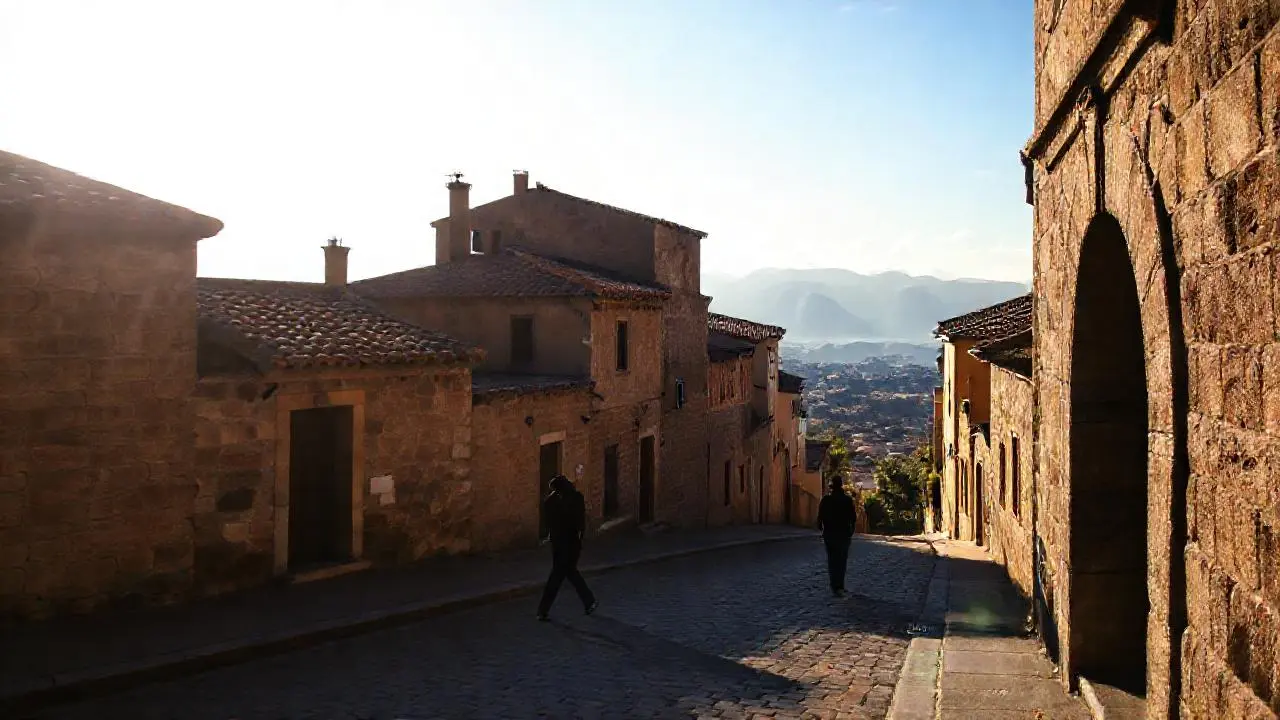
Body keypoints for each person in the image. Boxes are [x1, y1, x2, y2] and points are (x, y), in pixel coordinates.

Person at [536, 474, 599, 620]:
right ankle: (589, 601)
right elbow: (580, 523)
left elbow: (552, 524)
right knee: (568, 573)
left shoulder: (553, 501)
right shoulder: (572, 498)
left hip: (563, 544)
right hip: (569, 544)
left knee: (559, 576)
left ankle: (543, 610)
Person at [817, 477, 857, 596]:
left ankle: (834, 584)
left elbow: (820, 517)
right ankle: (840, 584)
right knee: (841, 560)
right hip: (843, 534)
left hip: (829, 533)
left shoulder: (826, 500)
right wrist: (851, 531)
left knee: (832, 559)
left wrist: (821, 528)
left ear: (831, 487)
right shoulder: (847, 500)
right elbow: (853, 518)